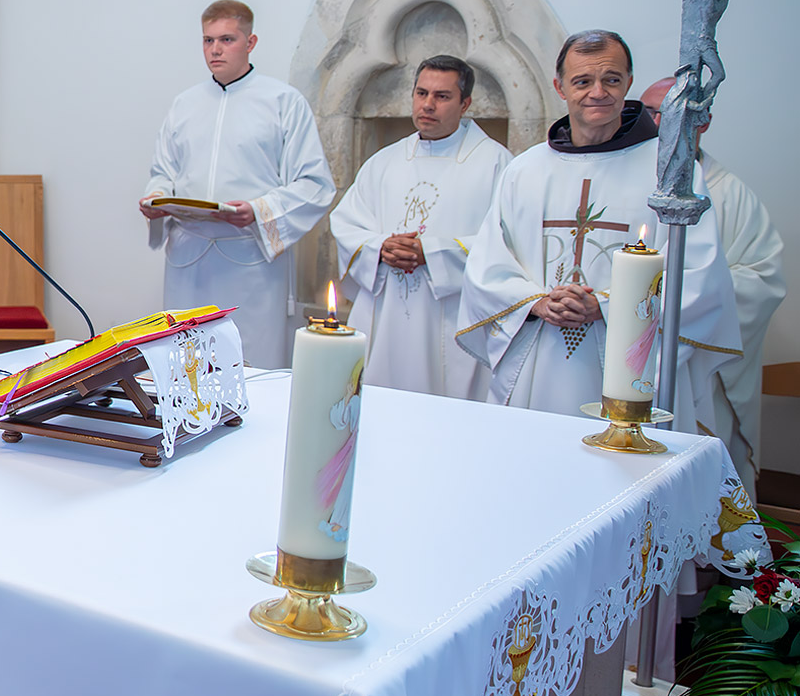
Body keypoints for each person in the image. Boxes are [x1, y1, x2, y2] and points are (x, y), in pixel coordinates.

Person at [458, 33, 738, 422]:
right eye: (582, 81)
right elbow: (488, 263)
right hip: (538, 357)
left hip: (629, 363)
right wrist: (537, 302)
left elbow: (699, 276)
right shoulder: (525, 170)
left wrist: (605, 305)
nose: (598, 92)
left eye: (611, 79)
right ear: (560, 87)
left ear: (628, 82)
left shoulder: (670, 171)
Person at [140, 0, 335, 367]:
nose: (215, 49)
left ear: (250, 42)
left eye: (227, 39)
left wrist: (259, 210)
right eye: (208, 40)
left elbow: (315, 184)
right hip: (189, 259)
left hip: (250, 261)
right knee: (185, 365)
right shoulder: (185, 104)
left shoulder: (283, 102)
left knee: (250, 366)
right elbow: (164, 171)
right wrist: (157, 198)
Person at [328, 55, 510, 399]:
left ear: (465, 103)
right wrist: (380, 247)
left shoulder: (496, 164)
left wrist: (432, 253)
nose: (428, 104)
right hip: (386, 313)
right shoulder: (385, 161)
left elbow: (505, 244)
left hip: (453, 317)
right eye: (421, 93)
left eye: (442, 96)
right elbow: (346, 223)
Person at [640, 78, 785, 491]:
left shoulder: (732, 194)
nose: (657, 124)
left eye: (672, 113)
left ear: (702, 121)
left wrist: (699, 295)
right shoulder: (630, 179)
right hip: (630, 350)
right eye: (650, 112)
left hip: (699, 358)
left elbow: (764, 279)